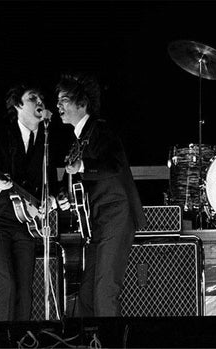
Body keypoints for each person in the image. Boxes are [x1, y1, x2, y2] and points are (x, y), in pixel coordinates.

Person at [56, 72, 147, 317]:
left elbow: (113, 165)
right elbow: (72, 184)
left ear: (82, 103)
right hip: (96, 223)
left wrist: (82, 167)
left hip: (116, 215)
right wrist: (64, 197)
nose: (58, 106)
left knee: (105, 290)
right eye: (58, 101)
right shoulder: (76, 142)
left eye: (64, 100)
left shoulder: (102, 130)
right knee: (86, 295)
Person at [0, 83, 56, 321]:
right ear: (18, 105)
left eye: (41, 97)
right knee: (5, 284)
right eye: (32, 98)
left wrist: (47, 201)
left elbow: (49, 183)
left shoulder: (45, 139)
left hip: (26, 225)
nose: (39, 101)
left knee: (25, 291)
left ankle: (23, 341)